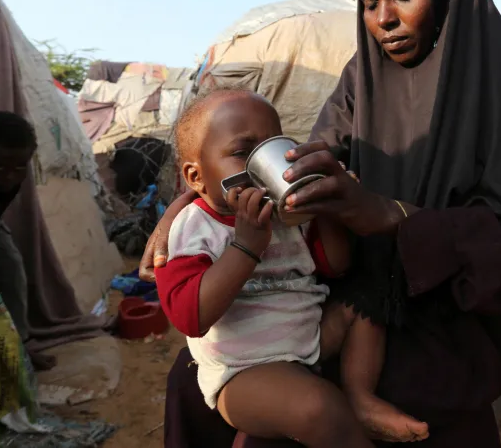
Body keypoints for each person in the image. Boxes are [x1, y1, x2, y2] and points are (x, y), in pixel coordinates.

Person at [141, 0, 501, 446]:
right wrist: (183, 208)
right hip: (352, 290)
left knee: (385, 399)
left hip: (446, 315)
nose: (385, 19)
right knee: (191, 381)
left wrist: (392, 216)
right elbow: (296, 167)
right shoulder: (360, 81)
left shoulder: (500, 93)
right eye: (370, 2)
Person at [156, 88, 421, 447]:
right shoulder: (193, 228)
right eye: (242, 153)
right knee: (318, 408)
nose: (266, 167)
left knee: (367, 302)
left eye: (275, 149)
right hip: (242, 372)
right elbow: (191, 317)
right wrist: (246, 247)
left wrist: (327, 209)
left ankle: (360, 395)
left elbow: (336, 265)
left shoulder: (286, 216)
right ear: (196, 176)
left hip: (308, 342)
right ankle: (343, 416)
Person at [0, 111, 56, 371]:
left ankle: (21, 343)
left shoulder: (12, 174)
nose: (9, 176)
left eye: (19, 168)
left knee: (11, 268)